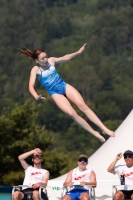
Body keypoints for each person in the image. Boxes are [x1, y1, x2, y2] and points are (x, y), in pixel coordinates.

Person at [19, 44, 115, 142]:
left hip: (64, 86)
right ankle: (94, 133)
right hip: (55, 93)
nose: (46, 59)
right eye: (42, 58)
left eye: (46, 56)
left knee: (83, 106)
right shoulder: (35, 70)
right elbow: (30, 85)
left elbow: (65, 58)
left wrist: (77, 53)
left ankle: (104, 128)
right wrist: (35, 95)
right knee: (72, 114)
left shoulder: (51, 60)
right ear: (36, 61)